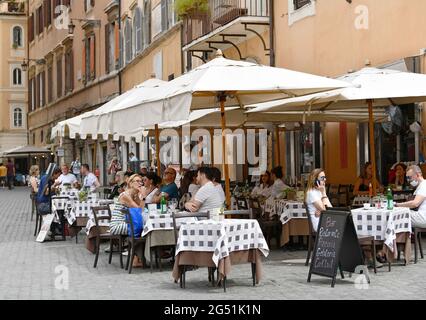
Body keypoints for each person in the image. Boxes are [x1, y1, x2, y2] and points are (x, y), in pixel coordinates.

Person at [109, 174, 145, 267]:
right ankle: (136, 259)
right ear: (131, 183)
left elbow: (141, 211)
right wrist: (143, 196)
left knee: (141, 229)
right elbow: (139, 210)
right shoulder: (125, 195)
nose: (140, 183)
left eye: (141, 181)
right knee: (140, 230)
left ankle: (137, 258)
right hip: (117, 225)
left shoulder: (134, 195)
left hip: (127, 223)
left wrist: (140, 197)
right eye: (137, 181)